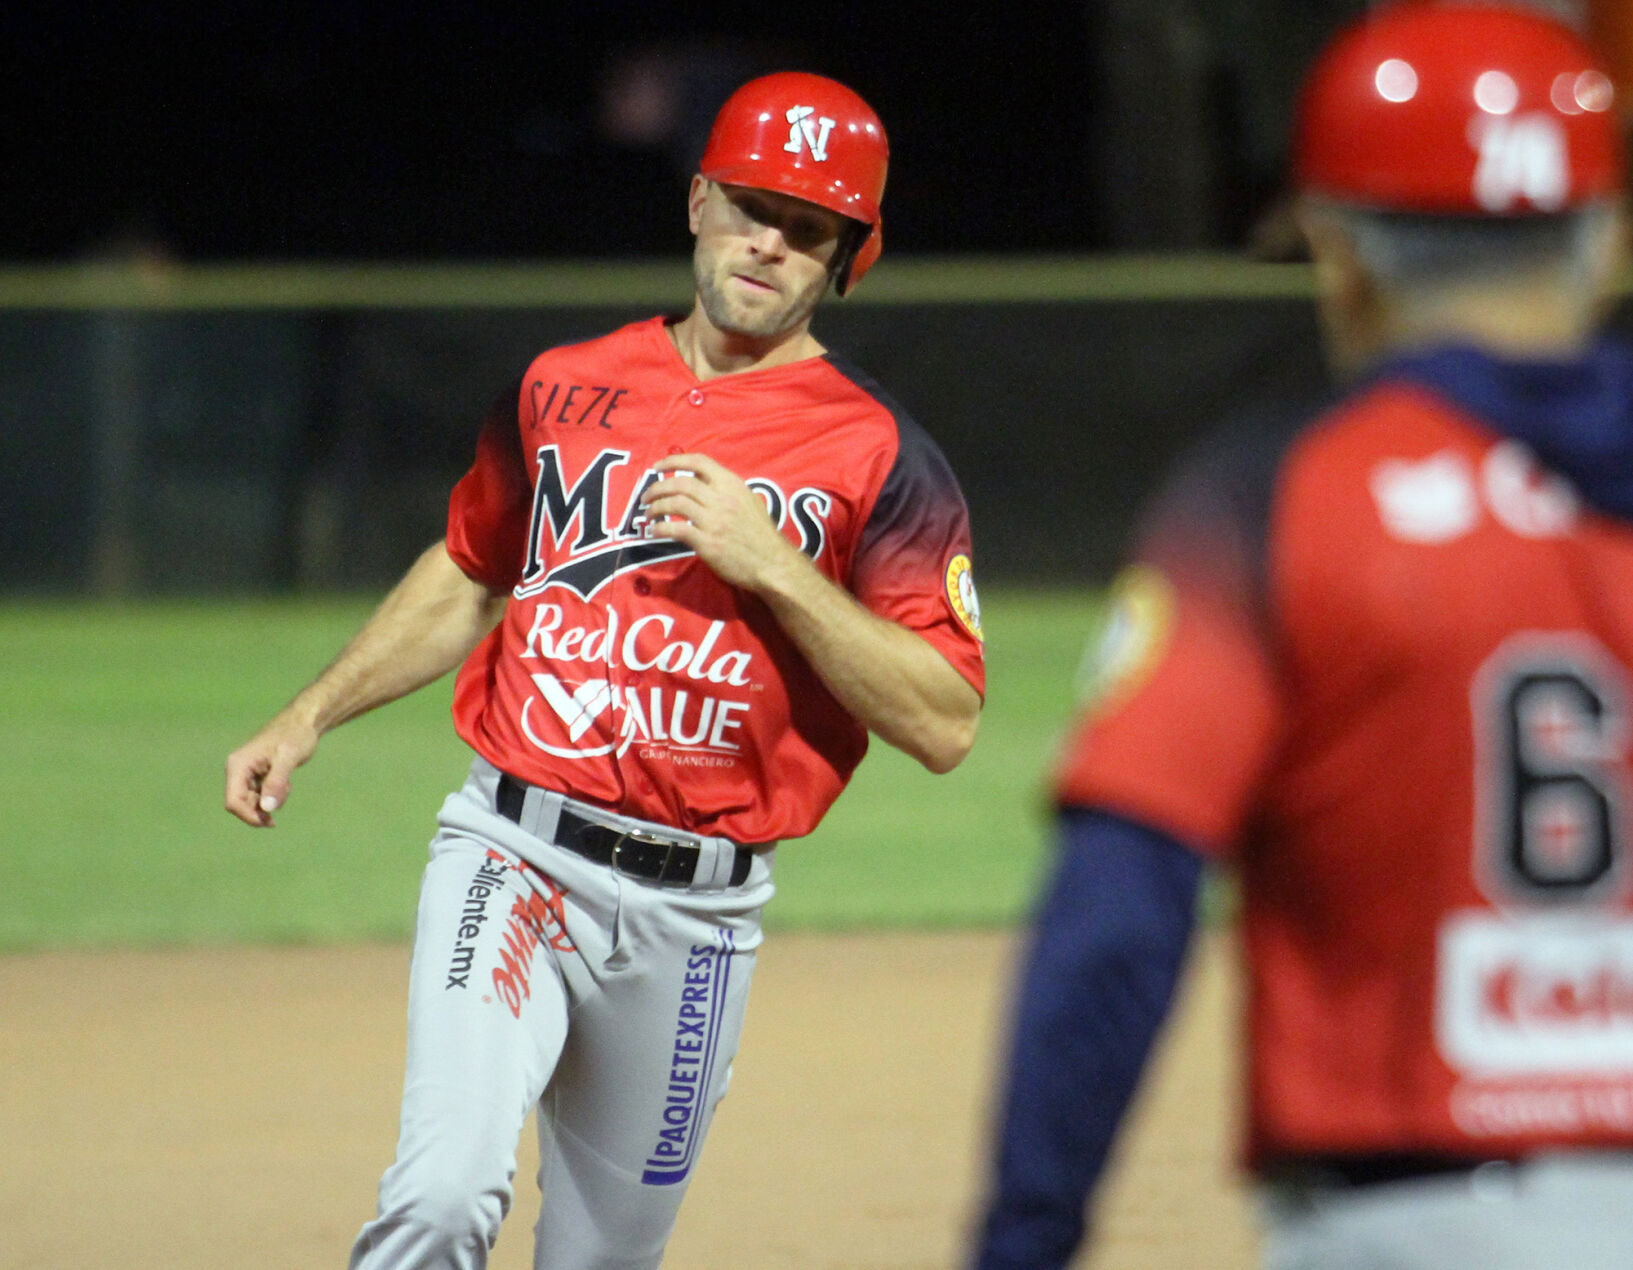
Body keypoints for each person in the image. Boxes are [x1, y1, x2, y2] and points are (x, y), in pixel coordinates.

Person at [224, 70, 985, 1270]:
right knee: (441, 1195)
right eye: (750, 206)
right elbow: (472, 569)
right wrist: (308, 713)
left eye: (809, 228)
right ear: (696, 202)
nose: (768, 245)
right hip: (514, 853)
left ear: (848, 256)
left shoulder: (880, 453)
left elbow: (945, 720)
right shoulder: (559, 386)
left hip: (701, 915)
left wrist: (775, 567)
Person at [970, 5, 1633, 1268]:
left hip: (1415, 1220)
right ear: (1601, 243)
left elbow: (1117, 913)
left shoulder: (1279, 496)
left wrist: (1025, 1236)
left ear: (1338, 251)